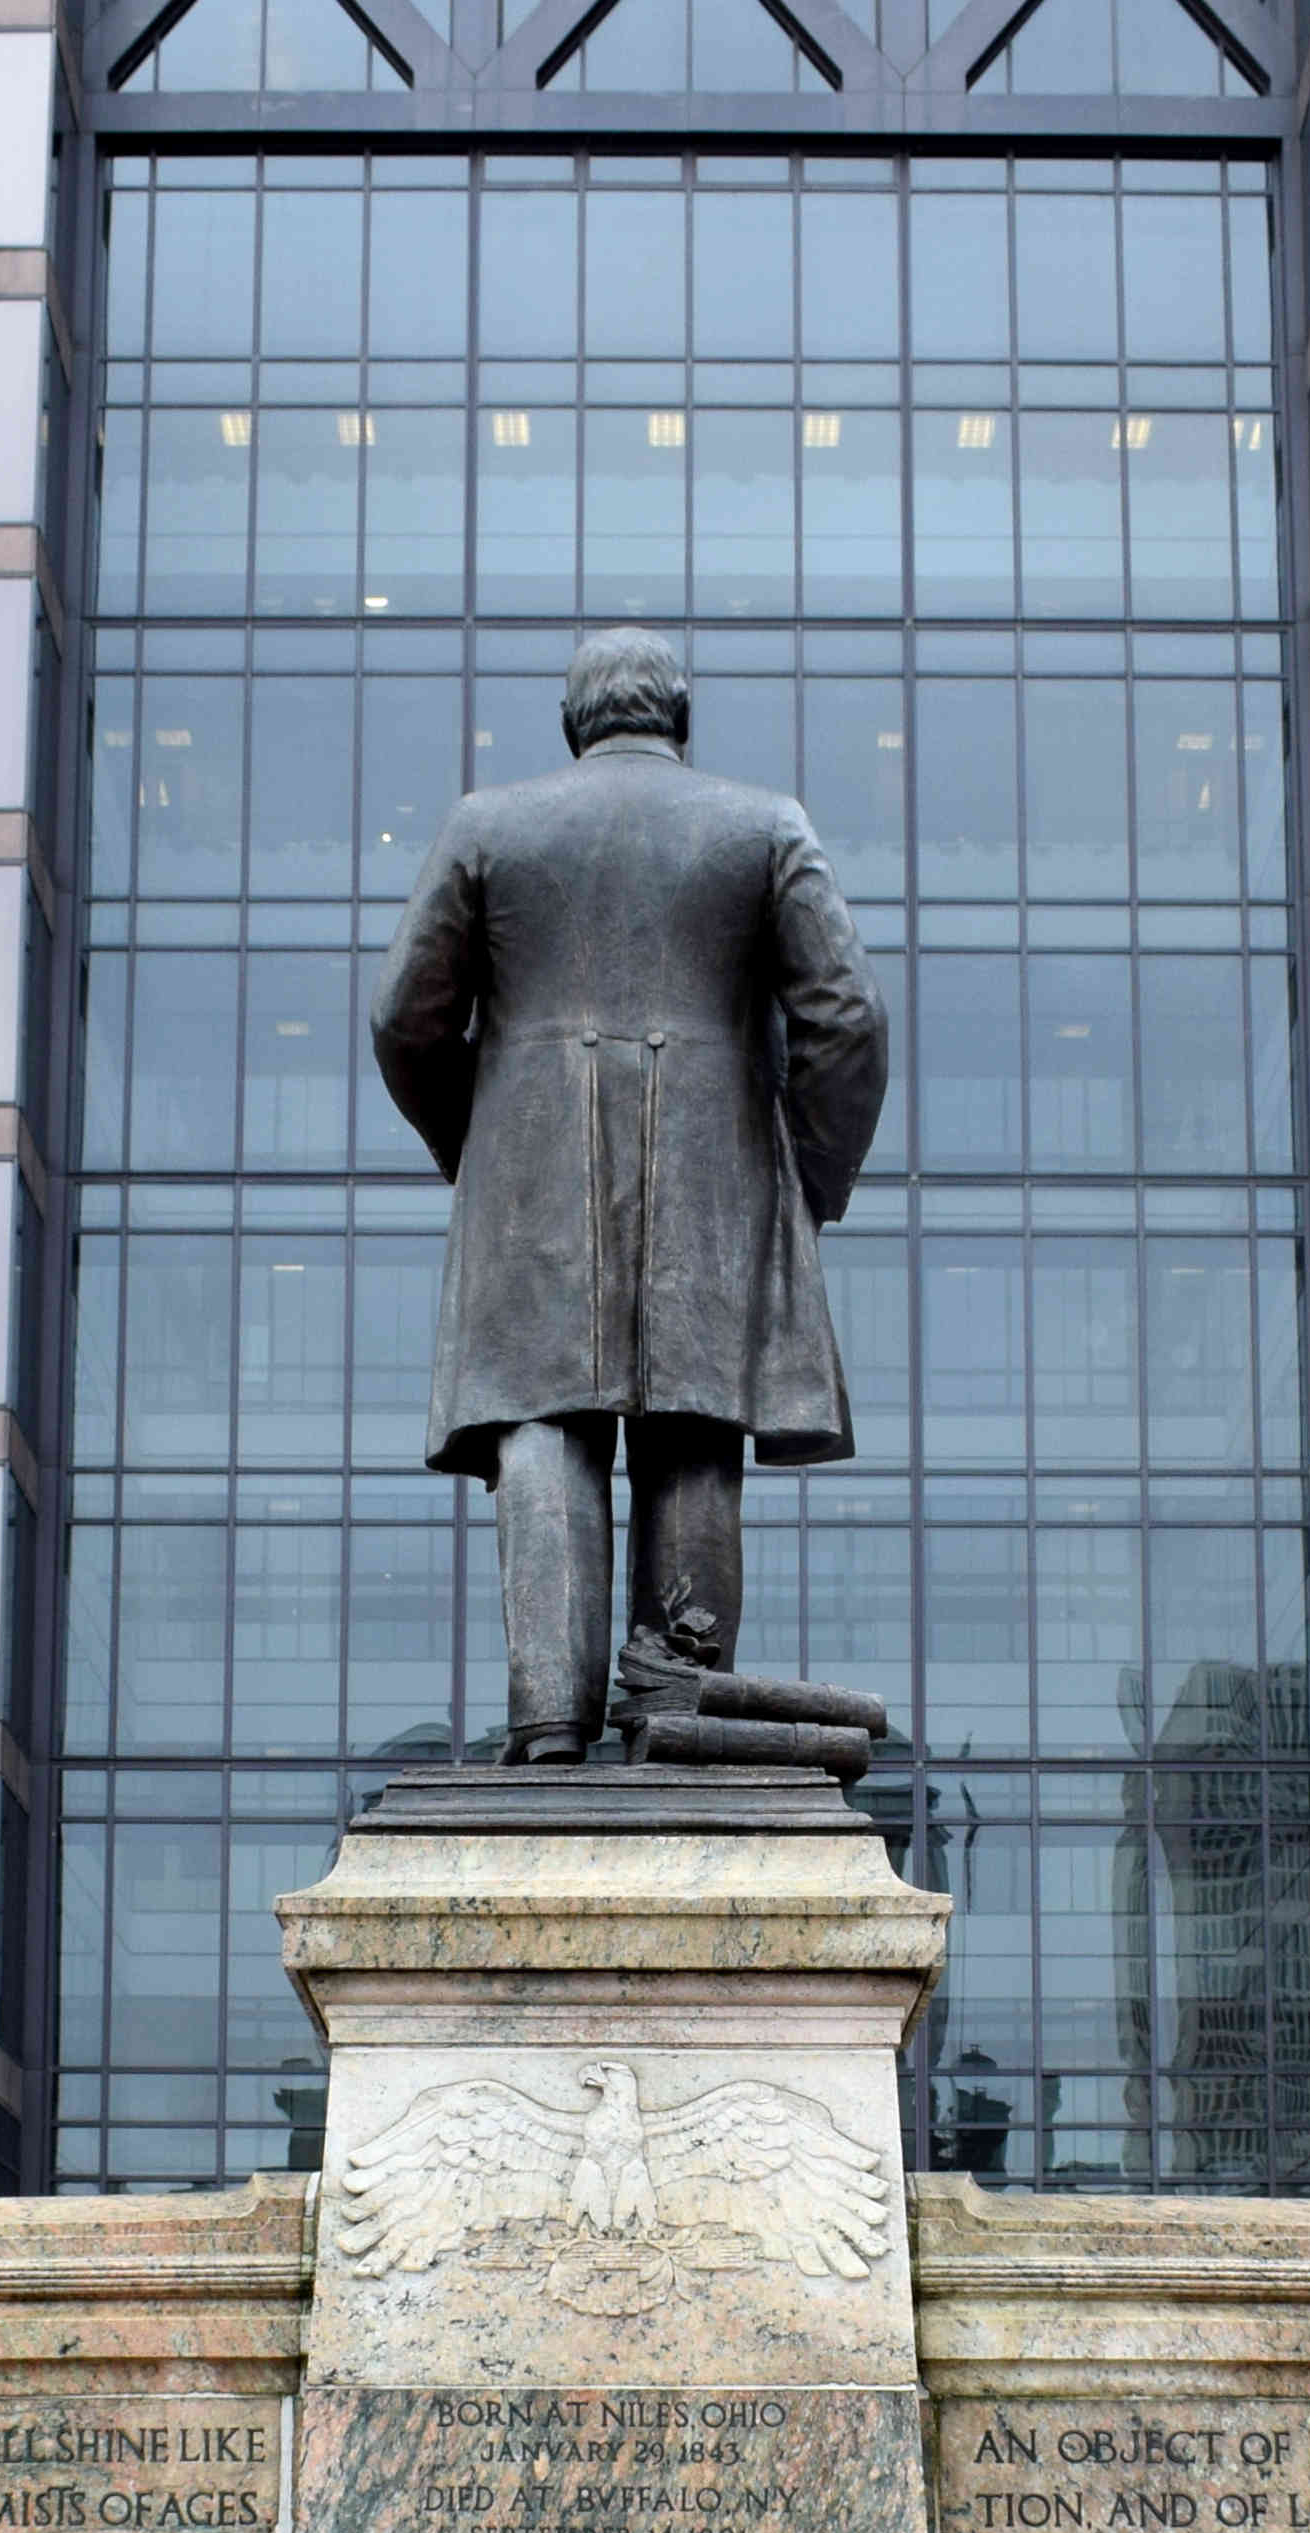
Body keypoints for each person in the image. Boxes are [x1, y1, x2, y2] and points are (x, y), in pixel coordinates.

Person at [366, 626, 889, 1764]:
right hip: (716, 1182)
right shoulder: (764, 826)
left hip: (531, 1187)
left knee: (540, 1424)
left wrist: (485, 1146)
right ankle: (671, 1707)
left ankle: (549, 1727)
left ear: (574, 725)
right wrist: (802, 1175)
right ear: (678, 718)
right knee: (691, 1428)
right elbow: (844, 1018)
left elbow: (403, 1018)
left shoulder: (487, 827)